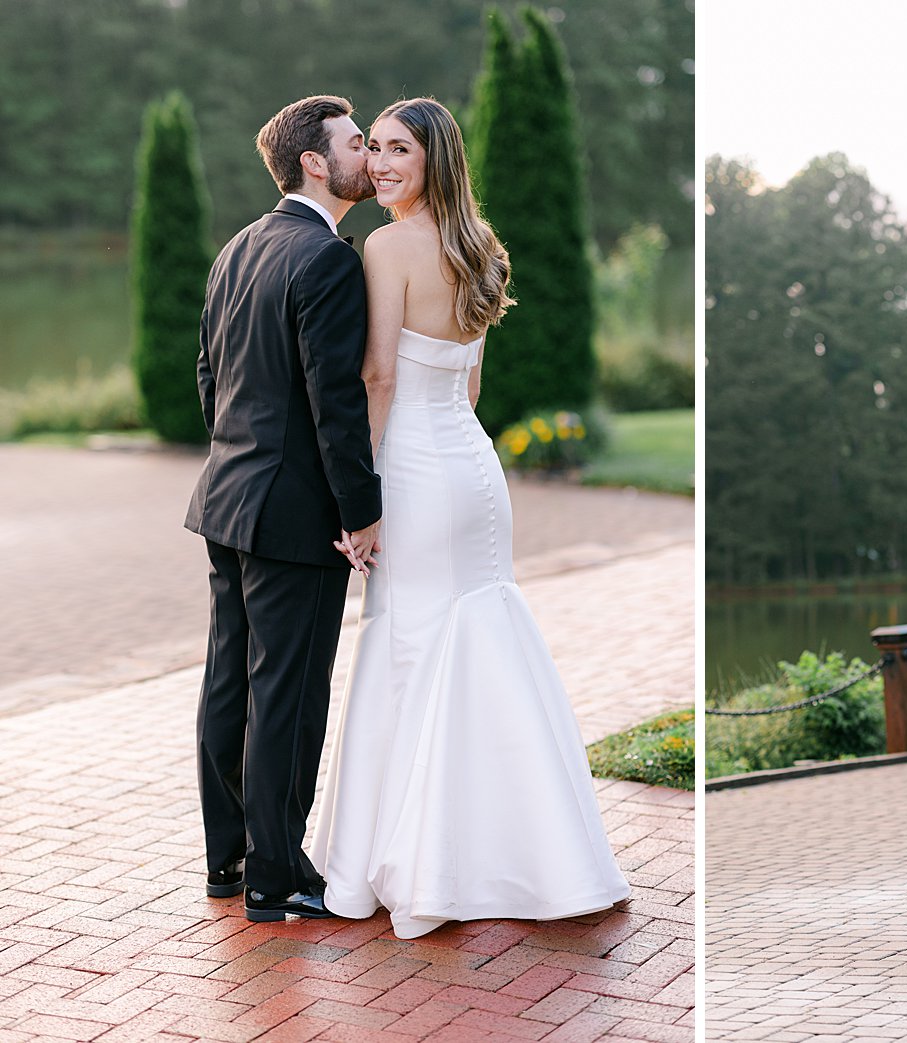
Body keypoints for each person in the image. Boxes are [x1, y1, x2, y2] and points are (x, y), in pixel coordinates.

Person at [308, 97, 630, 939]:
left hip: (414, 469)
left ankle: (424, 862)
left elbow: (379, 377)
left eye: (398, 151)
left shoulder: (385, 244)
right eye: (372, 149)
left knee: (411, 647)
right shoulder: (478, 246)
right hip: (475, 468)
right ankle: (535, 851)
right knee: (477, 638)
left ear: (434, 160)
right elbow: (472, 384)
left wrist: (362, 500)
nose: (379, 164)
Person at [186, 95, 381, 922]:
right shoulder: (329, 258)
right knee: (289, 695)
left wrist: (239, 459)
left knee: (229, 682)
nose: (367, 153)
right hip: (293, 514)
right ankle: (276, 874)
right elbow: (332, 400)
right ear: (314, 161)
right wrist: (361, 510)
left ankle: (226, 859)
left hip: (227, 499)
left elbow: (208, 374)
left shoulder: (239, 246)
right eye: (354, 141)